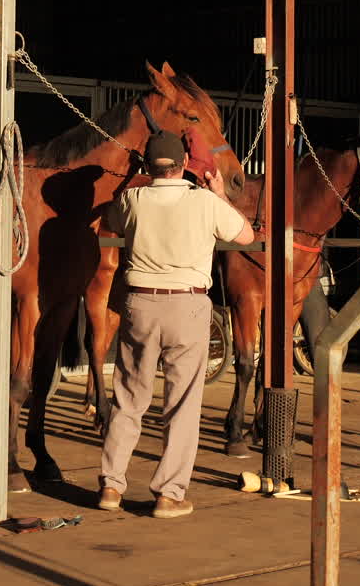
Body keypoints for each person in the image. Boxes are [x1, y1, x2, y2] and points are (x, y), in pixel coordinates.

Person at [98, 129, 254, 519]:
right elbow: (246, 236)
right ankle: (168, 494)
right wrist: (218, 193)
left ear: (147, 166)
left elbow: (111, 224)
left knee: (129, 398)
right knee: (182, 405)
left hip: (140, 304)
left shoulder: (132, 198)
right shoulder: (203, 201)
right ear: (184, 165)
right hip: (187, 306)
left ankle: (111, 486)